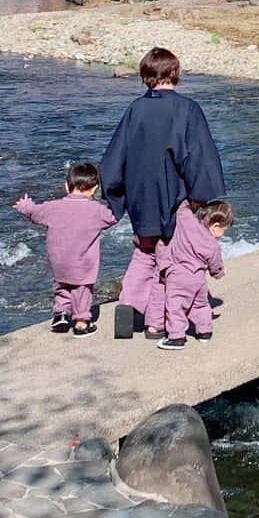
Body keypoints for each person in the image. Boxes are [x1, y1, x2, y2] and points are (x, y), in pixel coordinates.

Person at [100, 46, 225, 340]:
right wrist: (199, 198)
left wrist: (118, 198)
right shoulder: (188, 109)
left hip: (141, 197)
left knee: (144, 252)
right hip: (174, 199)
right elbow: (199, 157)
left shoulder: (134, 110)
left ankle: (129, 302)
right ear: (175, 74)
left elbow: (113, 159)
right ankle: (162, 320)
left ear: (145, 77)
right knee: (170, 259)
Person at [13, 161, 117, 337]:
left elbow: (35, 212)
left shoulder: (53, 207)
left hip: (58, 261)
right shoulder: (97, 210)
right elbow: (113, 217)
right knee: (81, 289)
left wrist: (25, 206)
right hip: (82, 263)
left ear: (67, 186)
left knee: (61, 286)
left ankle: (60, 314)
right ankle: (82, 322)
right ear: (94, 189)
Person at [157, 200, 231, 350]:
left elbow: (181, 208)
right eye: (225, 230)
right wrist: (218, 273)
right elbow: (215, 264)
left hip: (179, 274)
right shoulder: (213, 245)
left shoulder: (187, 222)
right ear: (215, 226)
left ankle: (176, 336)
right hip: (199, 278)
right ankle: (205, 331)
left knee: (175, 306)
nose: (222, 234)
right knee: (201, 304)